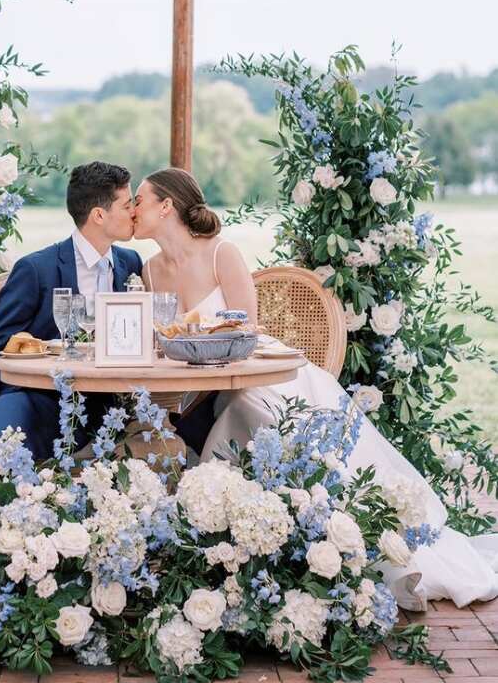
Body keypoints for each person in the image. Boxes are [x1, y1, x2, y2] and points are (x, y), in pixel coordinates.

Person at [133, 165, 498, 611]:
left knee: (253, 411)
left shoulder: (219, 253)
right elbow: (162, 338)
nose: (133, 208)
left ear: (166, 206)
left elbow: (250, 328)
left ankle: (359, 547)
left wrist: (204, 339)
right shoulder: (150, 271)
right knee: (232, 413)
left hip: (264, 378)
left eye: (139, 199)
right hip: (205, 390)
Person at [0, 161, 142, 475]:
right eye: (127, 204)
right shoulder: (37, 270)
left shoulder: (131, 263)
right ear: (99, 215)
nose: (134, 212)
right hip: (45, 402)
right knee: (4, 419)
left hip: (111, 406)